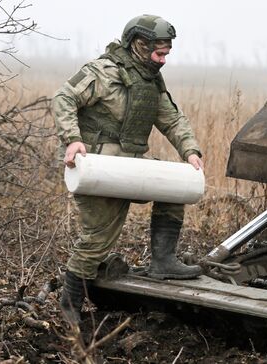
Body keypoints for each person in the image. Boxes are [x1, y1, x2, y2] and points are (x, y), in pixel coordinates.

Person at [52, 14, 205, 324]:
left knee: (175, 185)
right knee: (98, 240)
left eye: (166, 54)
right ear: (138, 44)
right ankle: (70, 305)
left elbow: (172, 120)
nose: (163, 60)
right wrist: (73, 140)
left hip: (130, 165)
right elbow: (63, 97)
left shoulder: (149, 81)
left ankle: (164, 260)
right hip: (96, 167)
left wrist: (190, 151)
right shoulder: (103, 72)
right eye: (158, 53)